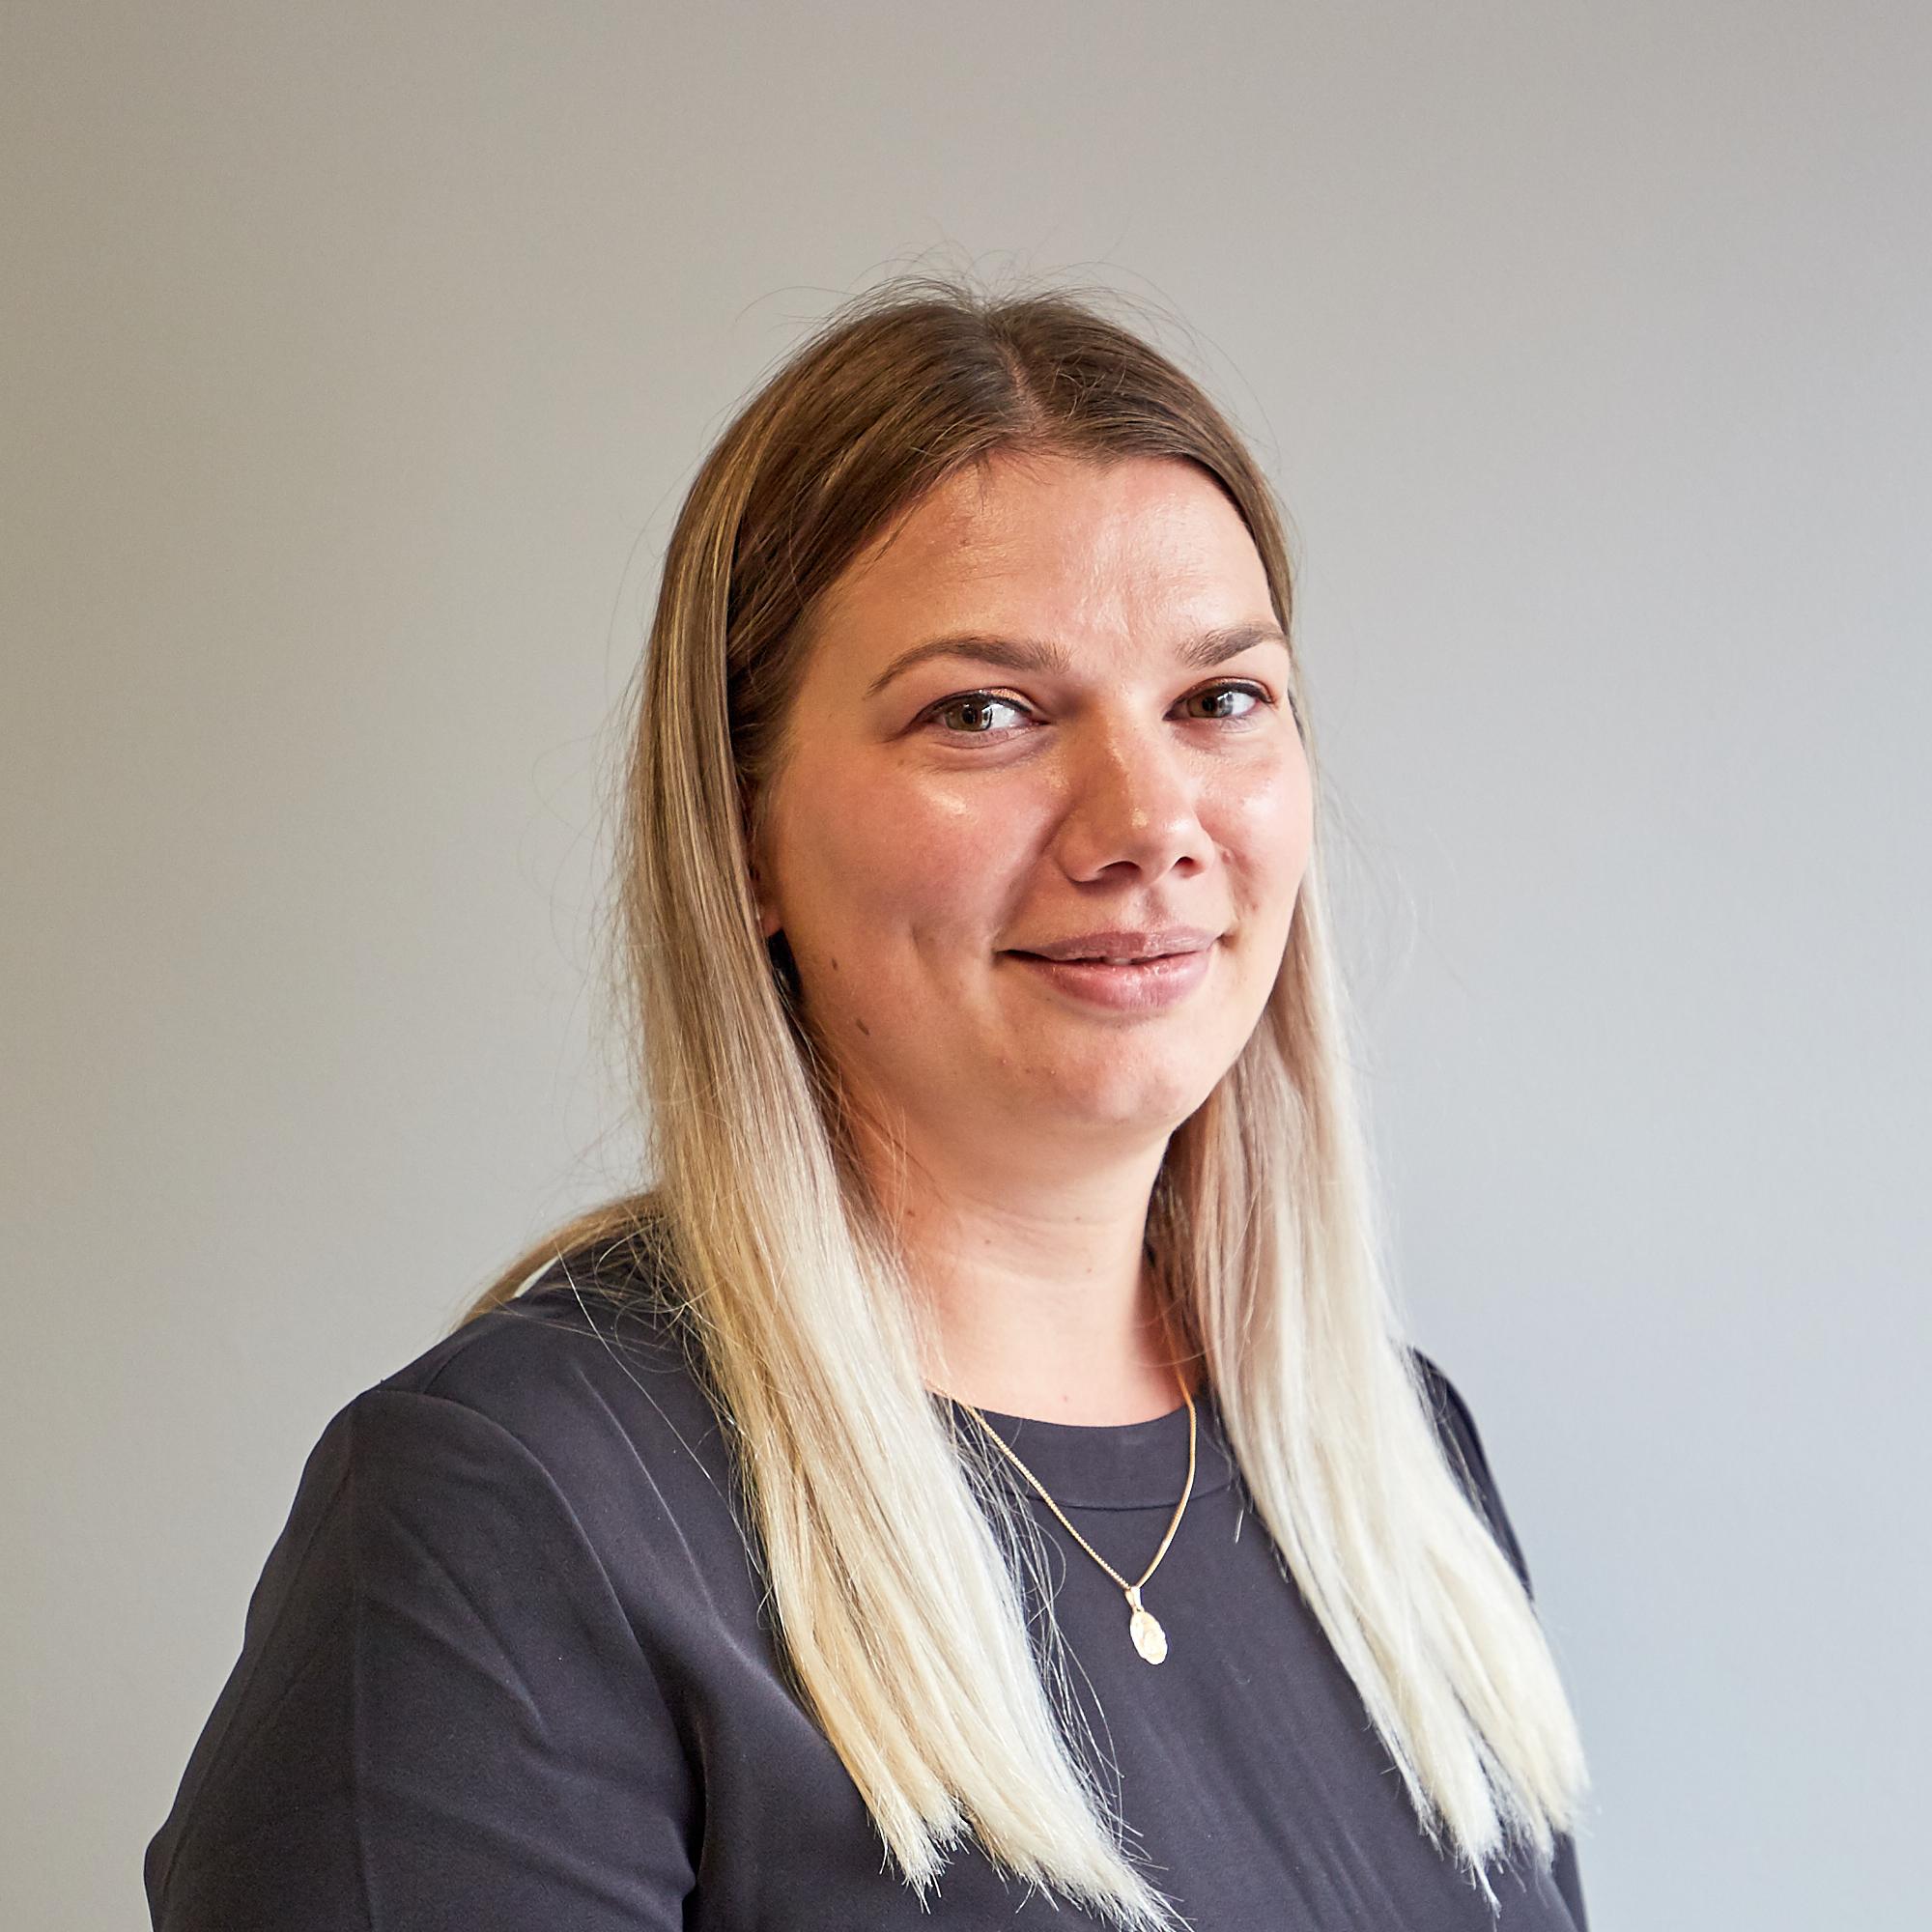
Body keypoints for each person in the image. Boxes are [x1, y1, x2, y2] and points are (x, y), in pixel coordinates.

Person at [145, 276, 1593, 1930]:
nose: (1148, 822)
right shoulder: (515, 1513)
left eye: (1219, 700)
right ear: (744, 831)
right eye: (984, 713)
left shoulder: (1394, 1463)